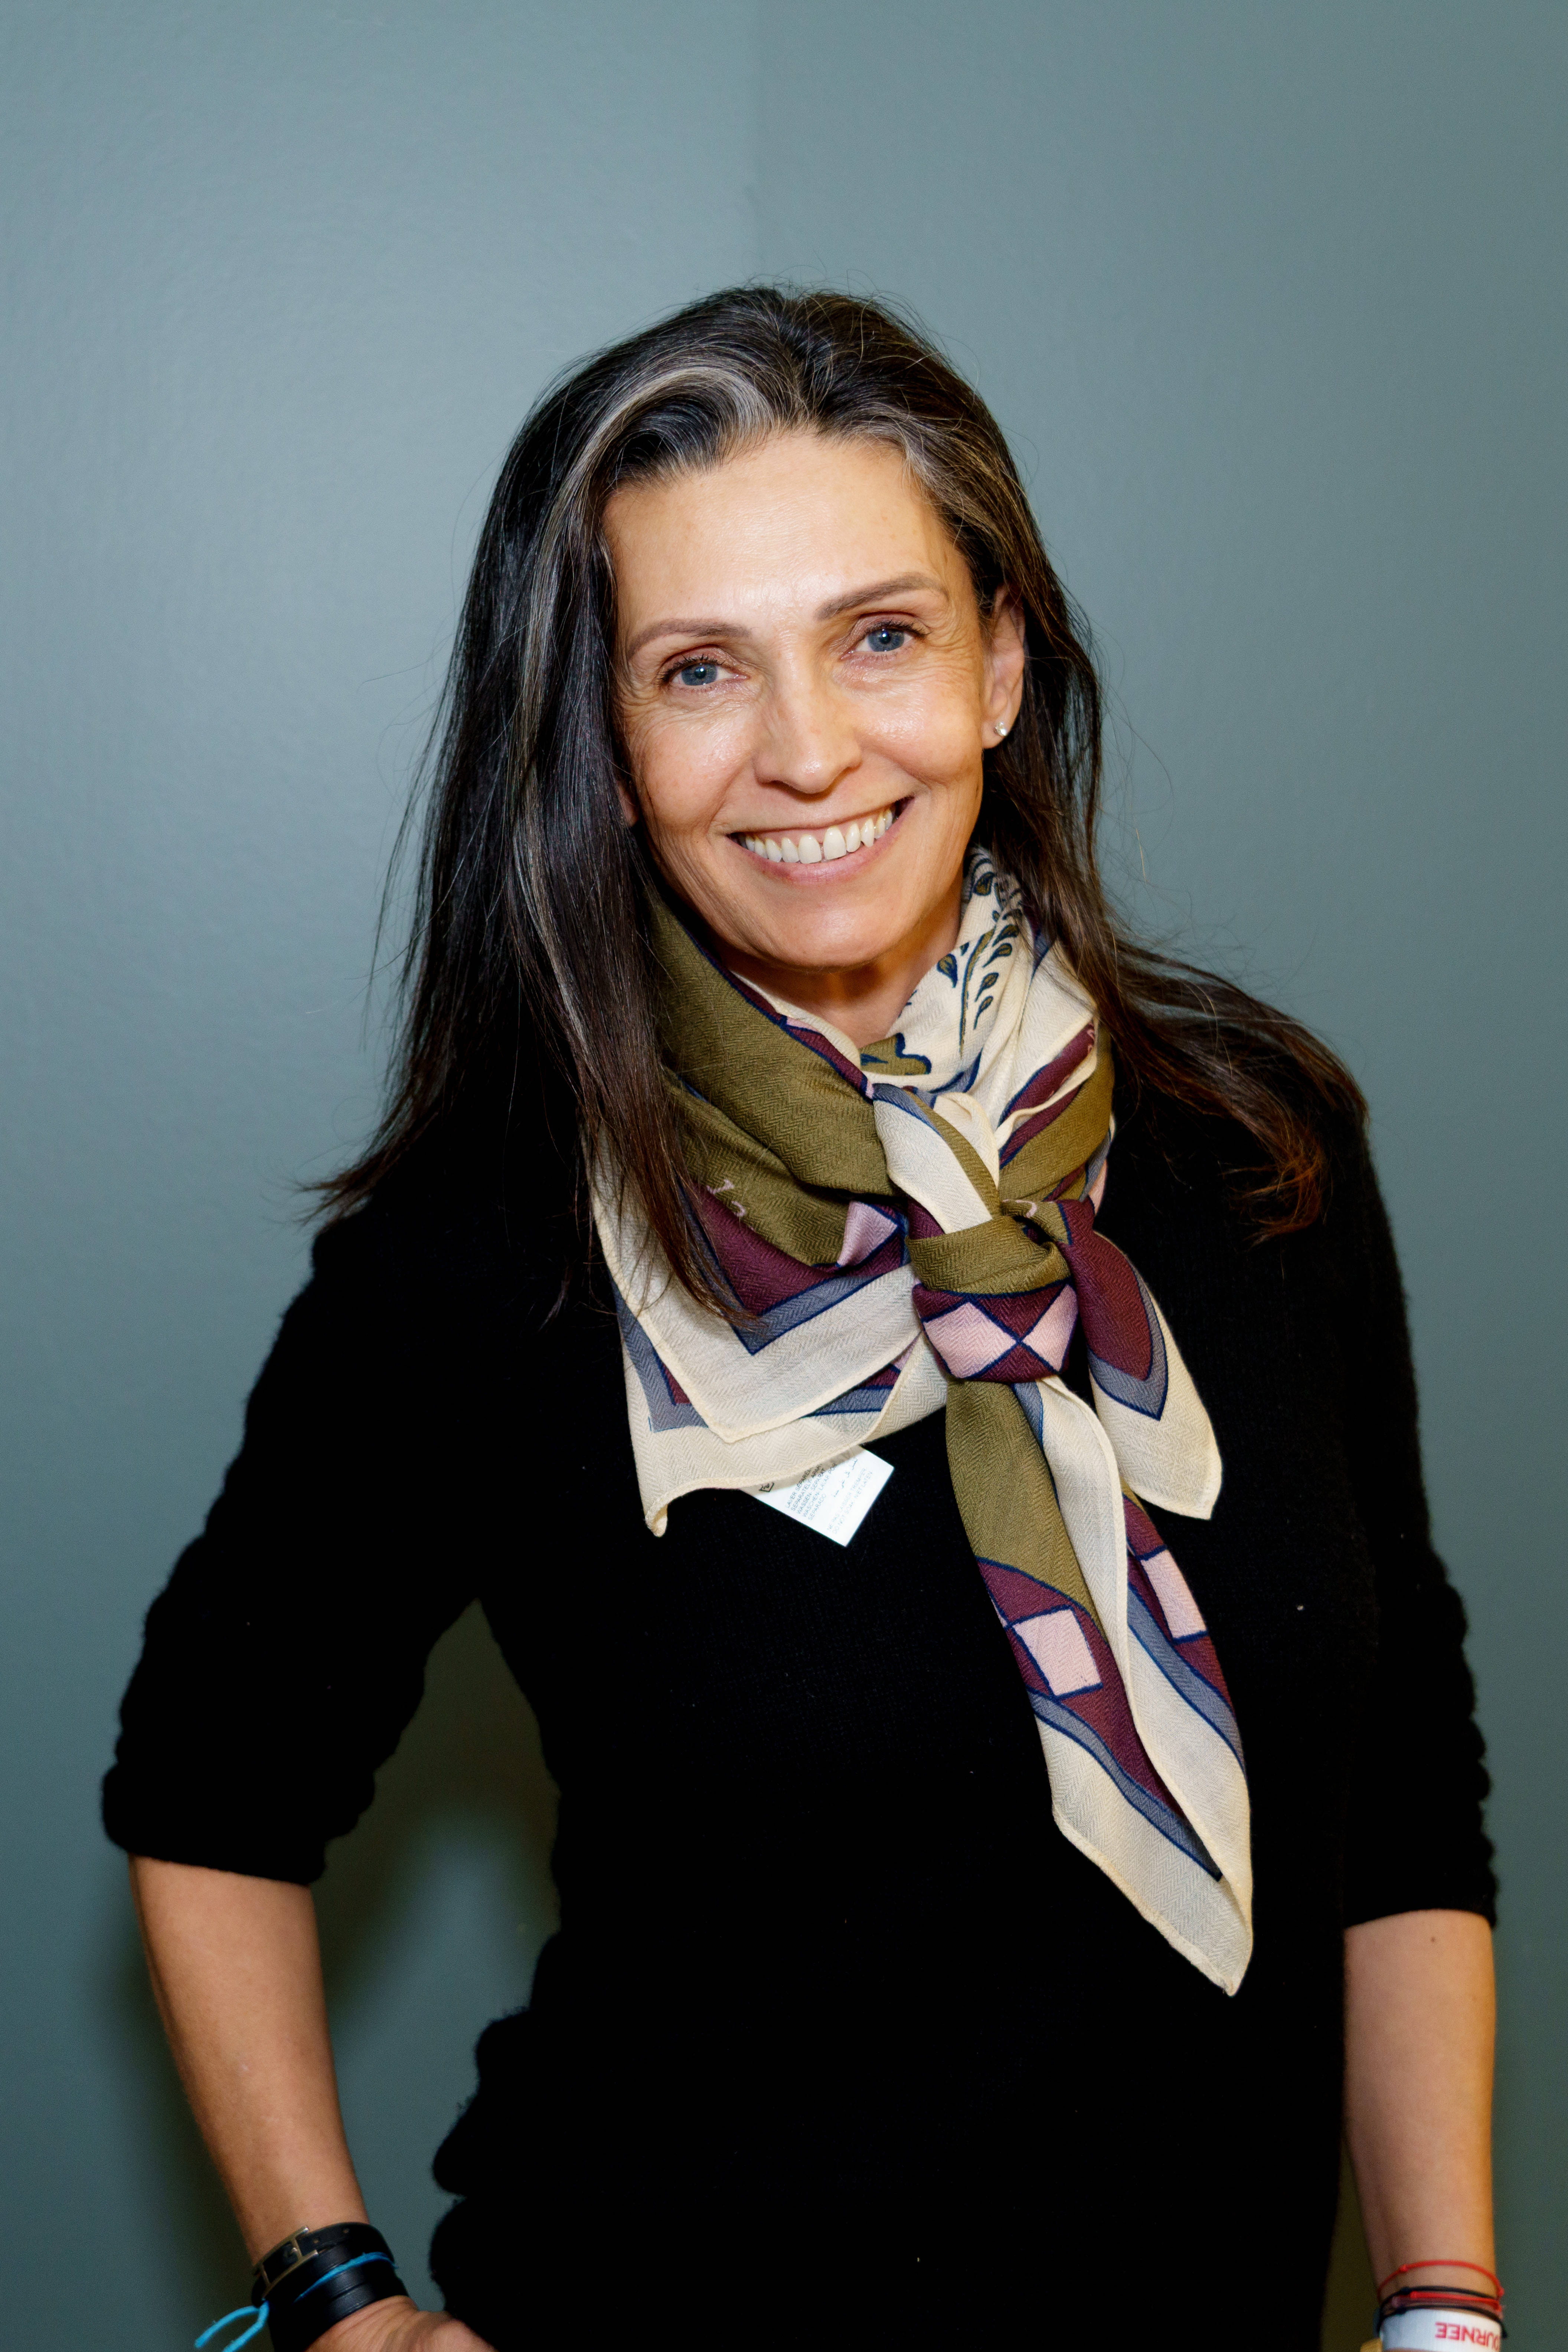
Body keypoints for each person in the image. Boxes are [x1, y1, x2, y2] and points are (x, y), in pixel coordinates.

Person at [105, 288, 1498, 2352]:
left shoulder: (1256, 1150)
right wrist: (339, 2304)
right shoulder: (489, 1254)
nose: (811, 751)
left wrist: (1444, 2302)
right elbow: (210, 1788)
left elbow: (1400, 1783)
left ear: (1001, 660)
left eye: (881, 636)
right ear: (606, 745)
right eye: (699, 670)